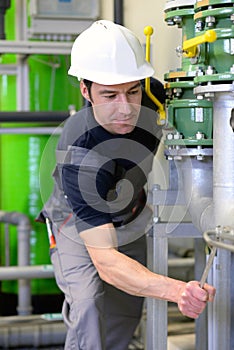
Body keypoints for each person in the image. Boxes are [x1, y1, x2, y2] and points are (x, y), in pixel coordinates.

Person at [38, 20, 215, 350]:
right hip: (75, 222)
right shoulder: (81, 153)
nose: (125, 108)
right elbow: (107, 264)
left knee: (123, 314)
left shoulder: (151, 95)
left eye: (132, 90)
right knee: (90, 304)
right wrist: (178, 291)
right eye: (109, 95)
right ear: (84, 89)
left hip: (129, 210)